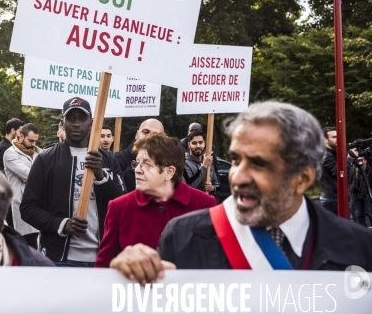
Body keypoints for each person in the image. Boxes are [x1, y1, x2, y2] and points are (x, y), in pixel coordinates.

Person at [110, 102, 372, 282]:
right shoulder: (182, 237)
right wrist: (132, 277)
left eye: (258, 163)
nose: (237, 176)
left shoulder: (359, 249)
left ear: (303, 177)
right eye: (235, 160)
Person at [20, 97, 124, 267]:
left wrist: (102, 177)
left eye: (82, 119)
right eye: (71, 118)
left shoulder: (107, 159)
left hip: (103, 257)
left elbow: (122, 204)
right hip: (60, 258)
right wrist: (62, 224)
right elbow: (28, 209)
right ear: (63, 123)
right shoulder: (46, 160)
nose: (76, 124)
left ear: (91, 123)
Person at [95, 133, 215, 268]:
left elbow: (214, 264)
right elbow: (103, 267)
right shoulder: (119, 208)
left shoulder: (205, 205)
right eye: (137, 163)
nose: (137, 170)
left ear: (169, 172)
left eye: (146, 164)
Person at [4, 123, 42, 249]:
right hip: (21, 205)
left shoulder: (38, 153)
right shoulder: (10, 154)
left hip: (39, 206)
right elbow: (28, 175)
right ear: (20, 136)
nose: (33, 144)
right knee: (26, 246)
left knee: (37, 247)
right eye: (31, 140)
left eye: (36, 141)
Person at [115, 118, 164, 192]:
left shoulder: (166, 163)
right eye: (146, 132)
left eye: (155, 135)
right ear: (136, 134)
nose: (149, 137)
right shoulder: (115, 159)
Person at [348, 152, 372, 227]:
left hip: (366, 194)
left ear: (365, 161)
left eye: (361, 160)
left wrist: (369, 192)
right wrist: (351, 191)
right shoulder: (354, 169)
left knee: (369, 212)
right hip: (356, 194)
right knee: (359, 213)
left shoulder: (370, 170)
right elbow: (350, 180)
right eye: (358, 160)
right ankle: (363, 230)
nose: (359, 162)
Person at [320, 126, 338, 214]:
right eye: (334, 137)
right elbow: (337, 172)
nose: (337, 139)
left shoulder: (333, 153)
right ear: (325, 140)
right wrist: (349, 160)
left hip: (333, 196)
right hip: (332, 198)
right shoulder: (326, 155)